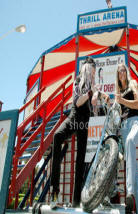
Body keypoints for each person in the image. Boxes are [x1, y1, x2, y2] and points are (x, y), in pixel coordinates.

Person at [50, 56, 109, 208]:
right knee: (57, 136)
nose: (94, 74)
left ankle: (76, 201)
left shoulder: (94, 84)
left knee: (80, 161)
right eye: (93, 71)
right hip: (74, 117)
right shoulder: (78, 81)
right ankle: (55, 191)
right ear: (87, 69)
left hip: (85, 123)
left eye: (95, 72)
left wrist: (102, 95)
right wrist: (91, 93)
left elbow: (96, 96)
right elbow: (77, 101)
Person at [115, 63, 138, 214]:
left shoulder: (133, 83)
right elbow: (118, 112)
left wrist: (122, 101)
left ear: (126, 72)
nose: (121, 73)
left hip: (134, 123)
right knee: (135, 173)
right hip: (124, 127)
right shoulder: (118, 91)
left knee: (130, 141)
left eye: (123, 70)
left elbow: (136, 105)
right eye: (119, 72)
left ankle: (129, 193)